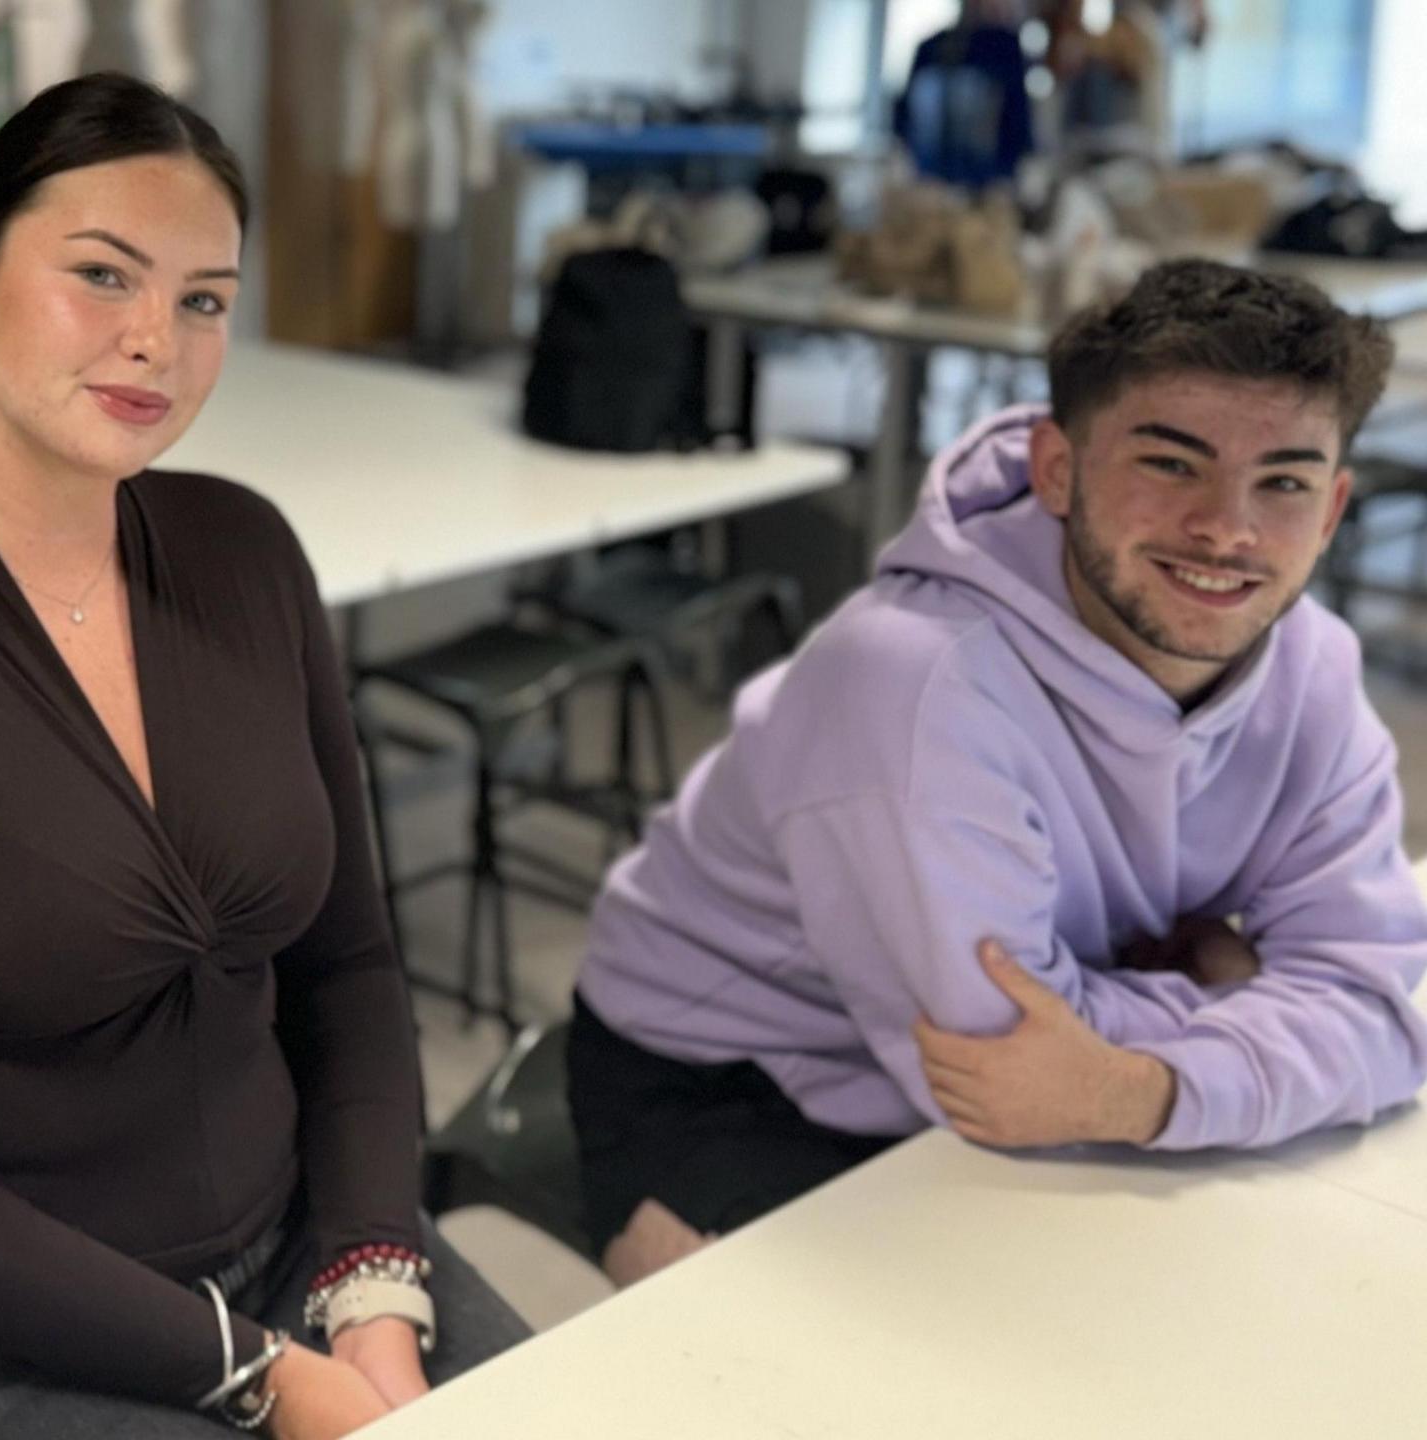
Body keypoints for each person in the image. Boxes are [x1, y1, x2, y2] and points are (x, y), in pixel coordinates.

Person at [0, 73, 529, 1440]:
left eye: (203, 299)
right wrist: (268, 1376)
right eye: (101, 275)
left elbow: (352, 966)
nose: (155, 339)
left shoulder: (245, 553)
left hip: (298, 1256)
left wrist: (374, 1287)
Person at [568, 258, 1427, 1287]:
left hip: (1025, 1094)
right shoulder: (915, 685)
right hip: (726, 1073)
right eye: (1169, 463)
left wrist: (1132, 1088)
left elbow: (1381, 1018)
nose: (1226, 528)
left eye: (1280, 481)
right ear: (1056, 469)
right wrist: (1229, 988)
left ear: (1330, 509)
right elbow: (994, 1072)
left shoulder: (1315, 671)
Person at [894, 0, 1035, 194]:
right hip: (929, 187)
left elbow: (1019, 122)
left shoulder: (1005, 49)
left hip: (987, 188)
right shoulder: (929, 49)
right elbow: (903, 120)